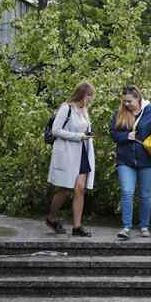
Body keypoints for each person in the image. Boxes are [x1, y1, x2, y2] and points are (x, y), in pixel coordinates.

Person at [110, 85, 151, 240]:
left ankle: (144, 226)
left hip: (147, 160)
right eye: (124, 101)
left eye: (129, 101)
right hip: (125, 160)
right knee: (127, 192)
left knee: (145, 194)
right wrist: (126, 136)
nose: (126, 104)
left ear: (138, 98)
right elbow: (113, 133)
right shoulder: (120, 113)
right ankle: (126, 227)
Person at [46, 83, 96, 237]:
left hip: (82, 152)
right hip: (68, 153)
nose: (90, 99)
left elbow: (83, 129)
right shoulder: (66, 108)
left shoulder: (84, 110)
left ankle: (77, 226)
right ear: (82, 94)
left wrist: (87, 134)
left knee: (80, 189)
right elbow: (56, 130)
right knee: (65, 190)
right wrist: (78, 136)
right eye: (89, 96)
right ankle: (51, 218)